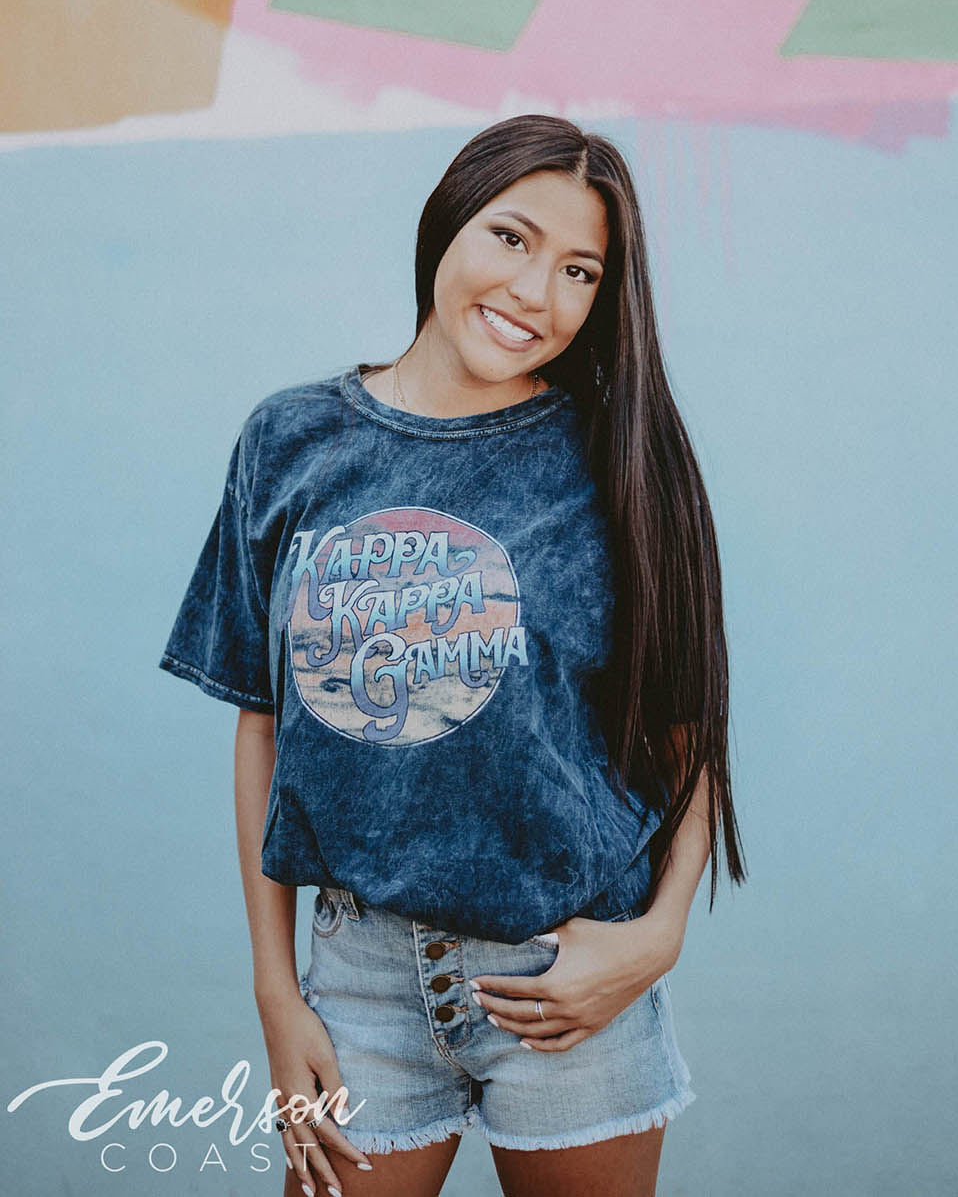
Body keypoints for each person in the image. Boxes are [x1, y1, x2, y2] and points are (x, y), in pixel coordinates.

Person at [159, 113, 745, 1197]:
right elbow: (263, 726)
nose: (535, 292)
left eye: (579, 270)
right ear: (447, 224)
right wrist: (276, 993)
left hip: (564, 983)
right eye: (511, 238)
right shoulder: (290, 440)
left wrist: (658, 937)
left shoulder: (623, 461)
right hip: (359, 984)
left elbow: (687, 730)